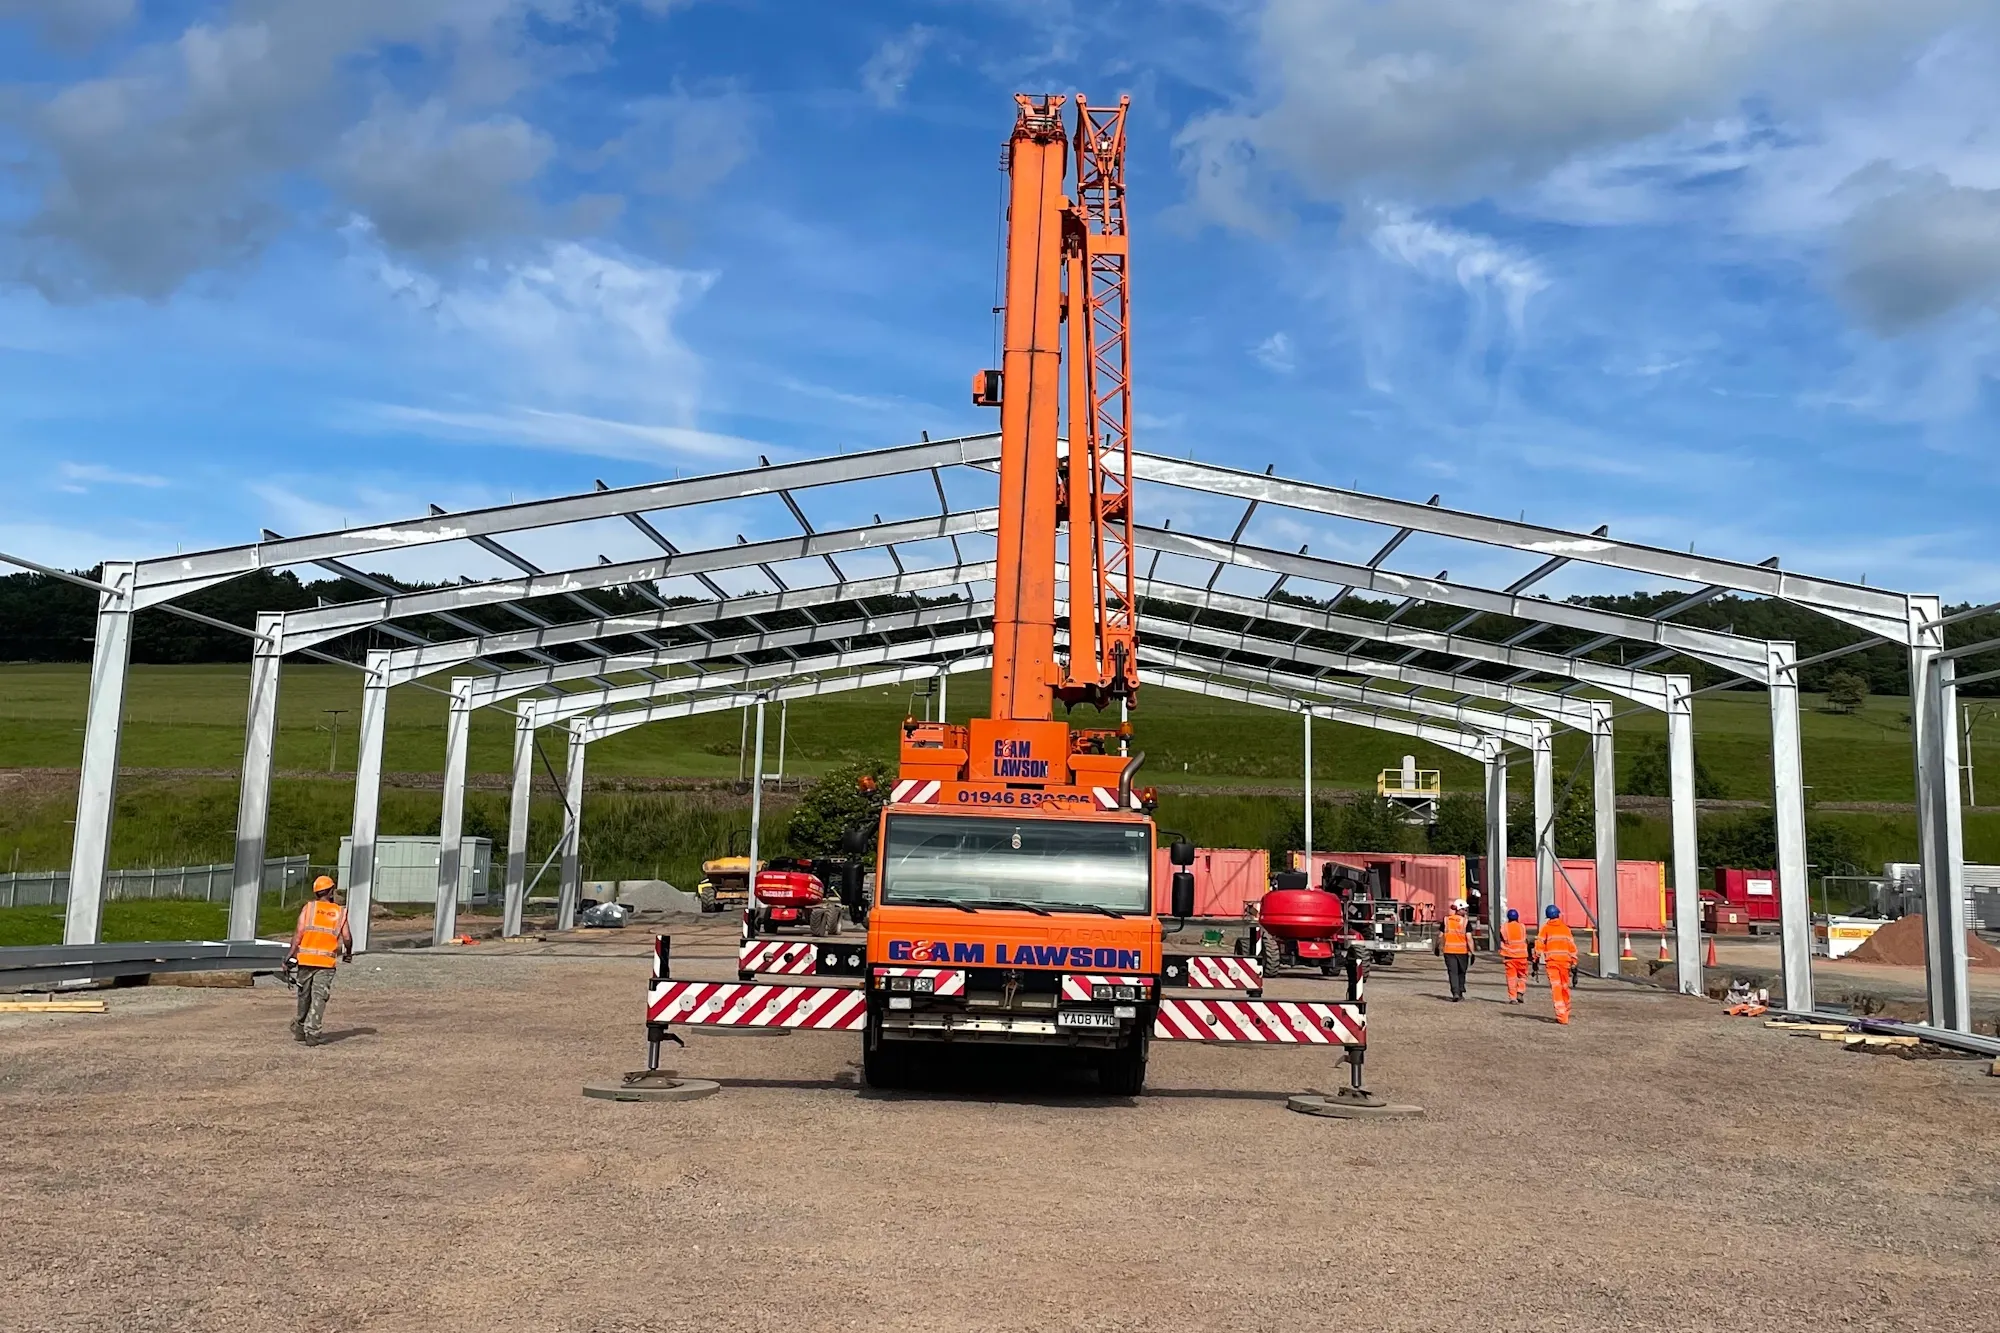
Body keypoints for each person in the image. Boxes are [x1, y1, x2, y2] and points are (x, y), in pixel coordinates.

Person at [288, 875, 352, 1045]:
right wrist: (348, 953)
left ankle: (300, 1027)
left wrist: (290, 955)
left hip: (305, 960)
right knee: (319, 997)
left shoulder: (309, 908)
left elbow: (298, 934)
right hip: (325, 962)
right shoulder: (339, 912)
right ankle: (312, 1033)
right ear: (331, 891)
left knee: (304, 995)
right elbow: (346, 937)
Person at [1534, 903, 1578, 1025]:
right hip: (1565, 963)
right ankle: (1566, 1010)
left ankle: (1561, 1016)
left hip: (1552, 963)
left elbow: (1539, 945)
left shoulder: (1545, 929)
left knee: (1556, 988)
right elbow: (1572, 947)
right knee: (1564, 987)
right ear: (1558, 914)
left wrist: (1535, 959)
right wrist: (1574, 961)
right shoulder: (1566, 929)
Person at [1440, 897, 1473, 1002]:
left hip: (1449, 951)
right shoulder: (1465, 922)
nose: (1466, 911)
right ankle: (1460, 991)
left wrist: (1437, 947)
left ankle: (1455, 992)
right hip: (1462, 952)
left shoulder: (1446, 920)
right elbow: (1469, 938)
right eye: (1465, 909)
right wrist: (1472, 952)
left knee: (1452, 972)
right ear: (1459, 909)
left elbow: (1440, 935)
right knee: (1461, 972)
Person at [1498, 908, 1530, 1004]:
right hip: (1522, 956)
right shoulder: (1522, 927)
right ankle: (1520, 991)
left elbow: (1502, 939)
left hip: (1509, 957)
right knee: (1523, 976)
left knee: (1511, 978)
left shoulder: (1504, 927)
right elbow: (1526, 939)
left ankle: (1513, 998)